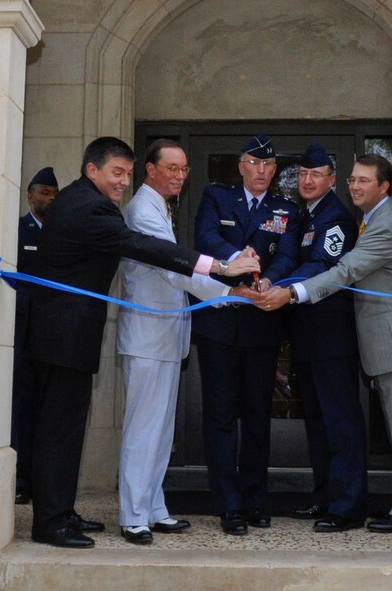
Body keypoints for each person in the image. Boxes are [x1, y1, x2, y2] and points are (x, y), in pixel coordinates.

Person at [26, 136, 260, 549]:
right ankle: (108, 517)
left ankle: (104, 509)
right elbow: (154, 254)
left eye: (125, 174)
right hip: (76, 333)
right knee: (79, 430)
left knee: (149, 430)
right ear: (91, 169)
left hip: (94, 333)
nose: (122, 182)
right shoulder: (99, 206)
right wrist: (223, 274)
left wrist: (224, 285)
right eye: (117, 173)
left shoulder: (107, 203)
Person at [257, 153, 392, 533]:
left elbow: (346, 270)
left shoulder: (387, 224)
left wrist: (292, 293)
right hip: (385, 342)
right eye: (353, 180)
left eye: (364, 180)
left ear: (384, 186)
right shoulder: (370, 220)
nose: (355, 186)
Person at [116, 139, 254, 544]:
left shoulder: (160, 206)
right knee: (143, 428)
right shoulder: (143, 209)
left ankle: (153, 507)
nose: (179, 175)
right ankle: (133, 515)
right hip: (146, 335)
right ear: (150, 169)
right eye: (171, 168)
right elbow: (174, 268)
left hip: (164, 335)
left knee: (160, 430)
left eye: (184, 169)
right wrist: (229, 285)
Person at [191, 133, 300, 535]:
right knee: (220, 416)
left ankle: (254, 500)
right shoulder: (217, 197)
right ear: (241, 167)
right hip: (220, 323)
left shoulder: (284, 208)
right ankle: (228, 505)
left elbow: (289, 252)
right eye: (254, 164)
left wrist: (270, 277)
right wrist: (238, 259)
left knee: (257, 415)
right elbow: (205, 237)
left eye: (269, 166)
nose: (262, 171)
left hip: (261, 323)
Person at [282, 144, 368, 533]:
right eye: (302, 174)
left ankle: (347, 507)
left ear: (332, 180)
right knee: (317, 421)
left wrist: (279, 286)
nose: (307, 180)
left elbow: (321, 266)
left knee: (340, 422)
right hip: (307, 338)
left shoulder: (336, 219)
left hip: (332, 339)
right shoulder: (304, 216)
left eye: (316, 174)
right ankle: (324, 496)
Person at [12, 166, 59, 506]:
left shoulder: (61, 233)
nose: (49, 199)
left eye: (54, 194)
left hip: (54, 334)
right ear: (30, 196)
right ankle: (22, 480)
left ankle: (45, 482)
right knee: (23, 409)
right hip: (24, 333)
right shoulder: (16, 230)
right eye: (44, 193)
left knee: (50, 412)